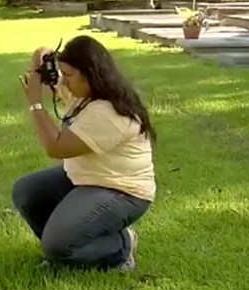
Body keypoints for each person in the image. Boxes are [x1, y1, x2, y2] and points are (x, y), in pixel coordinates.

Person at [13, 35, 157, 272]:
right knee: (27, 192)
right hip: (86, 178)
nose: (63, 82)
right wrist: (41, 56)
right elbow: (48, 75)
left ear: (89, 75)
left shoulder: (108, 112)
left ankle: (121, 246)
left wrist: (35, 104)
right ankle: (67, 247)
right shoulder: (84, 93)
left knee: (58, 245)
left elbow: (56, 148)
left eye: (68, 76)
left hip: (121, 190)